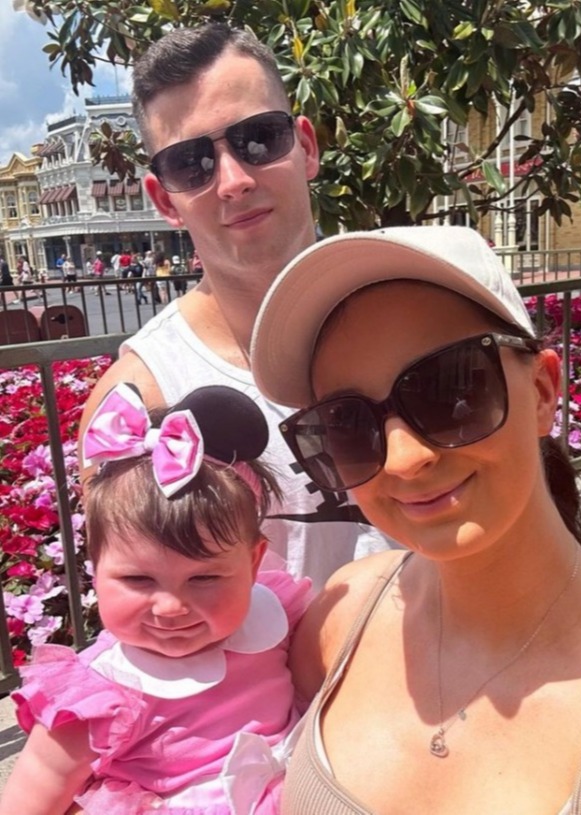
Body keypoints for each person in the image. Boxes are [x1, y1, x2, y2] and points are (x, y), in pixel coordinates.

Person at [250, 225, 581, 814]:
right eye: (347, 423)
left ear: (541, 390)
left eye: (450, 391)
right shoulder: (344, 614)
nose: (406, 459)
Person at [77, 22, 395, 589]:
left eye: (258, 139)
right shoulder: (141, 398)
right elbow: (148, 621)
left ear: (306, 146)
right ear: (164, 200)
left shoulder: (413, 311)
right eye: (190, 164)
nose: (232, 180)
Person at [0, 383, 312, 815]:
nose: (171, 607)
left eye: (204, 577)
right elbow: (37, 791)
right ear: (94, 564)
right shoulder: (103, 693)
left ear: (254, 563)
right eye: (138, 579)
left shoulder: (275, 619)